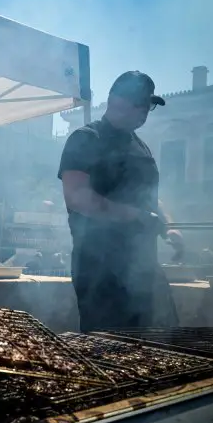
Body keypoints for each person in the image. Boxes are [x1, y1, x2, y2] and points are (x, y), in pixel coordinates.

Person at [58, 71, 184, 332]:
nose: (145, 112)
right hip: (100, 270)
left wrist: (168, 225)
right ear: (116, 100)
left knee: (159, 340)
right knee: (108, 347)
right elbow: (78, 197)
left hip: (143, 266)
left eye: (148, 106)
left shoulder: (141, 146)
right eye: (141, 104)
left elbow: (150, 197)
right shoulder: (86, 138)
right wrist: (135, 216)